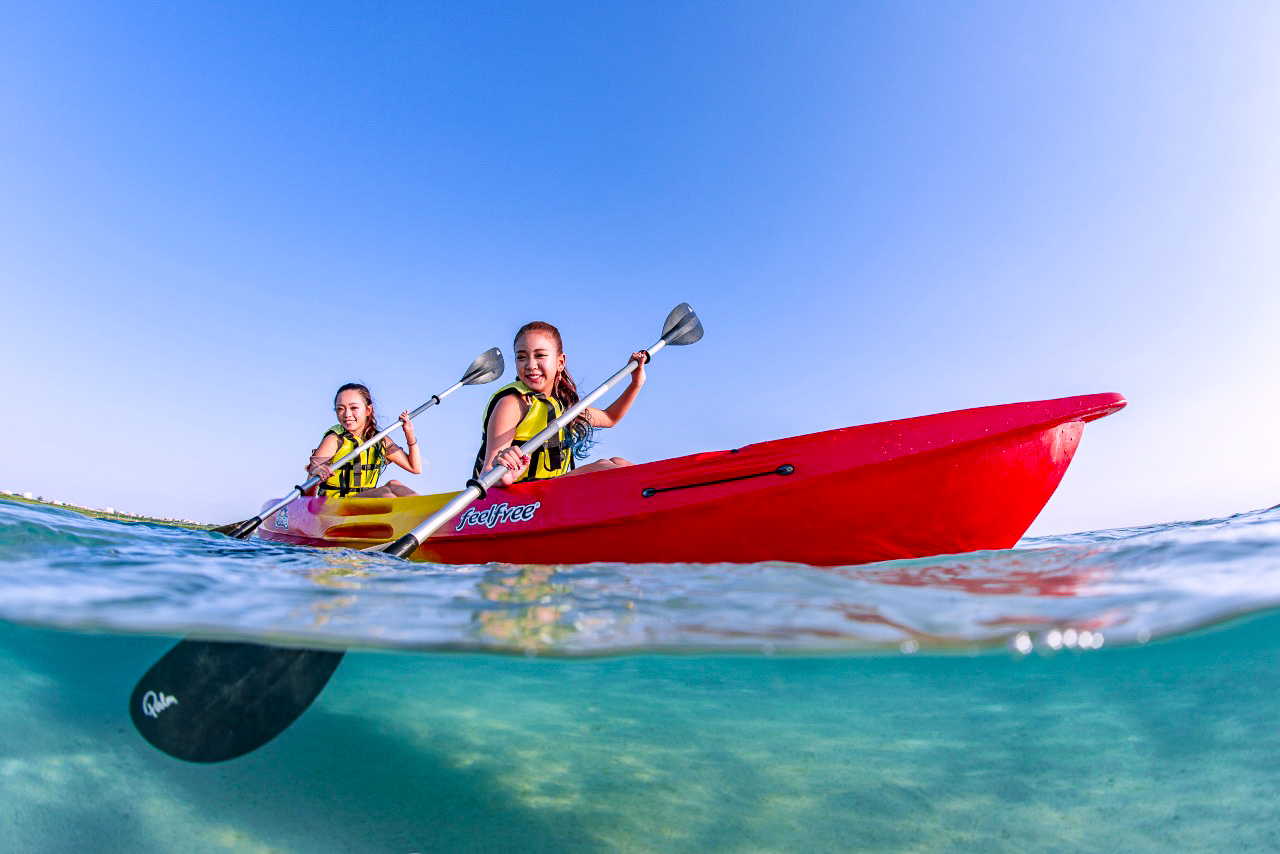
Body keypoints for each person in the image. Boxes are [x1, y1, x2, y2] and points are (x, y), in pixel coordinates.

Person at [475, 320, 647, 487]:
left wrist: (636, 383)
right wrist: (504, 476)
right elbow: (486, 473)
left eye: (540, 355)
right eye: (521, 357)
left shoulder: (562, 405)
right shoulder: (512, 404)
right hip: (515, 498)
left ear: (560, 362)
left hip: (551, 492)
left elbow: (610, 418)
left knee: (618, 462)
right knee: (607, 468)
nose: (530, 365)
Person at [306, 383, 421, 498]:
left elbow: (415, 468)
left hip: (364, 500)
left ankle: (425, 507)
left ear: (368, 410)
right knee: (384, 493)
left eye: (354, 408)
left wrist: (409, 433)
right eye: (340, 409)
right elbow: (308, 490)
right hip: (334, 504)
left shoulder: (379, 440)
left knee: (394, 484)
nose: (347, 414)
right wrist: (315, 475)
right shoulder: (334, 440)